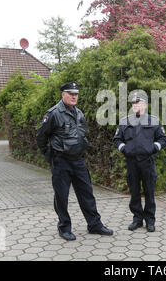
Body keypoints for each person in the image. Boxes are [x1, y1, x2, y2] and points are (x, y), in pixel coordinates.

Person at [36, 81, 113, 241]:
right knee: (62, 196)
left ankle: (94, 225)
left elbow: (82, 134)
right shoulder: (53, 113)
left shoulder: (79, 113)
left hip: (78, 161)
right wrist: (49, 154)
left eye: (76, 94)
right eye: (70, 93)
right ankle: (64, 227)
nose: (73, 96)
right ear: (63, 94)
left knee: (87, 194)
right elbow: (41, 136)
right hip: (61, 161)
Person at [113, 94, 166, 232]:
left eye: (138, 103)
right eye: (133, 103)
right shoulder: (125, 121)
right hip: (131, 162)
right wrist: (123, 148)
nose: (135, 106)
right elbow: (117, 139)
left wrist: (154, 147)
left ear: (145, 104)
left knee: (149, 191)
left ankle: (150, 220)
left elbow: (163, 139)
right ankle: (137, 219)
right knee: (134, 192)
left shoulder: (154, 121)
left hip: (147, 162)